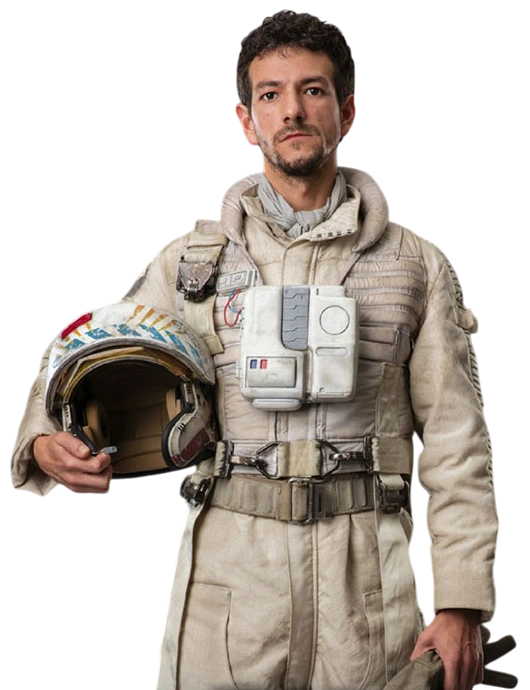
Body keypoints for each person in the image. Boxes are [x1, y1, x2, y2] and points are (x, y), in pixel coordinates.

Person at [10, 10, 499, 690]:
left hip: (365, 580)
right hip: (231, 578)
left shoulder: (414, 265)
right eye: (271, 94)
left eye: (313, 90)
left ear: (347, 110)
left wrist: (461, 601)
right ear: (246, 120)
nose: (291, 110)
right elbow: (89, 352)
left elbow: (456, 440)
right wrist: (40, 442)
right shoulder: (192, 262)